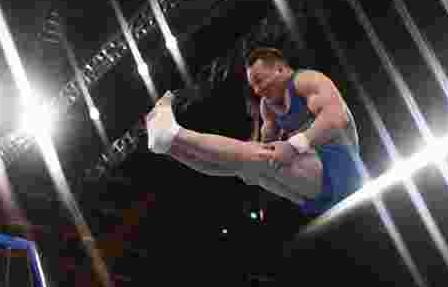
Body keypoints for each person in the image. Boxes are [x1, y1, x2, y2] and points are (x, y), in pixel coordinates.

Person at [145, 47, 364, 216]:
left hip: (341, 169)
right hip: (315, 190)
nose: (258, 90)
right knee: (243, 165)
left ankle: (173, 132)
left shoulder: (307, 80)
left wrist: (294, 145)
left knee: (254, 158)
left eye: (259, 81)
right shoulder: (266, 106)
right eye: (253, 87)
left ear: (280, 69)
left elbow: (337, 117)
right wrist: (255, 146)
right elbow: (259, 149)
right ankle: (169, 146)